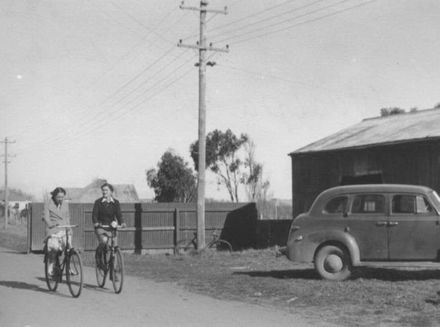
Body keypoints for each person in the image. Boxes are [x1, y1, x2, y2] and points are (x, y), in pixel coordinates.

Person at [42, 187, 71, 276]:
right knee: (54, 248)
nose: (60, 199)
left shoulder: (65, 204)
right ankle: (51, 263)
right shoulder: (48, 204)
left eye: (62, 197)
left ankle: (68, 267)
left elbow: (67, 217)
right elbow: (46, 217)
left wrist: (69, 228)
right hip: (53, 229)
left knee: (68, 246)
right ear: (54, 196)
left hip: (64, 228)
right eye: (58, 197)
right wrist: (50, 224)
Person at [92, 183, 126, 251]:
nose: (104, 192)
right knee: (104, 241)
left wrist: (122, 223)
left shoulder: (116, 202)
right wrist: (96, 222)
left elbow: (119, 215)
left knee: (114, 246)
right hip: (101, 227)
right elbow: (94, 215)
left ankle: (114, 261)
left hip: (112, 228)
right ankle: (100, 258)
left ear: (111, 191)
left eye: (106, 190)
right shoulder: (98, 202)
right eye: (103, 190)